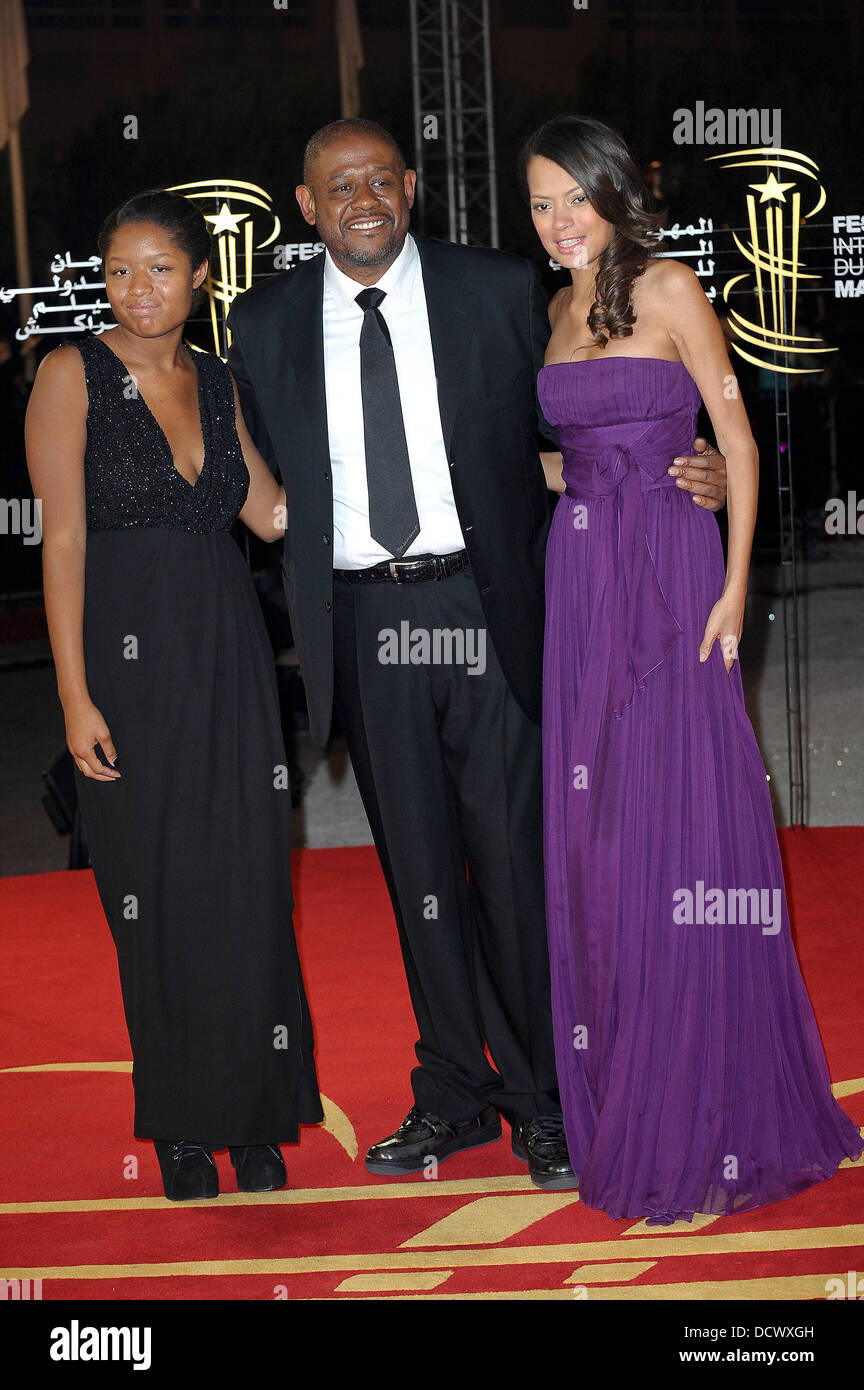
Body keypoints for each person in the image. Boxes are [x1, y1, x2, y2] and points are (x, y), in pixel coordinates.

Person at [226, 118, 727, 1188]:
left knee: (512, 866)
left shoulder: (503, 291)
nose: (362, 197)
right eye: (336, 185)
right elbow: (246, 465)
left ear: (410, 187)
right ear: (305, 207)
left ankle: (547, 1099)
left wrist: (694, 471)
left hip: (485, 605)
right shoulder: (261, 322)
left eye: (379, 177)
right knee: (419, 875)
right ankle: (454, 1090)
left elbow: (577, 427)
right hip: (363, 621)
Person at [525, 114, 863, 1222]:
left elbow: (740, 436)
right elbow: (572, 440)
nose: (558, 222)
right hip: (582, 580)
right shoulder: (559, 307)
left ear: (615, 194)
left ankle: (708, 1115)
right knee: (600, 838)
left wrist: (733, 586)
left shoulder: (670, 288)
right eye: (538, 204)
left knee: (678, 826)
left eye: (572, 197)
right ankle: (629, 1092)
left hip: (672, 578)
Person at [25, 190, 323, 1201]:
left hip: (229, 660)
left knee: (244, 888)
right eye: (118, 270)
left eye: (158, 268)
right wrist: (73, 695)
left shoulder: (221, 379)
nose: (135, 288)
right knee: (152, 904)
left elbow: (276, 516)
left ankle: (254, 1119)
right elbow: (61, 543)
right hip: (123, 668)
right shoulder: (70, 374)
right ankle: (185, 1128)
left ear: (200, 277)